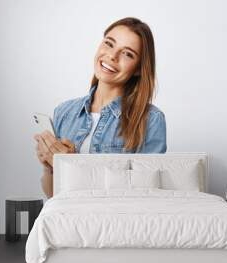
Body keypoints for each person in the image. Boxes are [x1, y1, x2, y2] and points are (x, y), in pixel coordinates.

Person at [34, 17, 167, 198]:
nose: (112, 56)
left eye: (127, 54)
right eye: (109, 44)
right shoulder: (65, 112)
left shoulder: (150, 120)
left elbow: (145, 196)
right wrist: (50, 167)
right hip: (69, 221)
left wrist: (75, 167)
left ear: (138, 69)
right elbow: (53, 195)